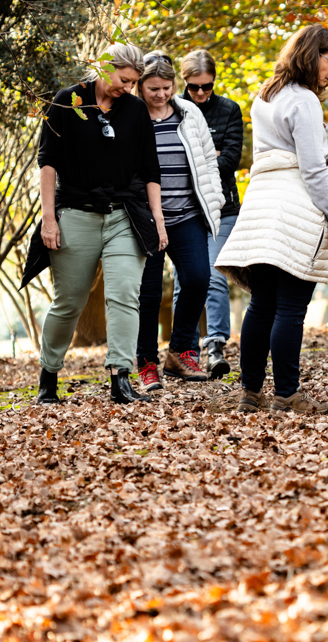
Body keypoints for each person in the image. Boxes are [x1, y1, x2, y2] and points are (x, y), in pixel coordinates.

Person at [214, 24, 328, 414]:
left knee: (262, 303)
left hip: (261, 205)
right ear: (311, 54)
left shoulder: (266, 94)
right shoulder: (305, 101)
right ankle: (288, 393)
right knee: (291, 307)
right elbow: (312, 169)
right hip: (294, 208)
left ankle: (250, 392)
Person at [33, 43, 165, 405]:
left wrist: (158, 219)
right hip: (76, 214)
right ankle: (49, 375)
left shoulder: (136, 111)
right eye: (124, 79)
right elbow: (48, 164)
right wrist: (49, 219)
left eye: (134, 82)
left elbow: (150, 169)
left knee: (125, 295)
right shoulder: (66, 102)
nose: (128, 87)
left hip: (125, 216)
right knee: (69, 302)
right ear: (104, 67)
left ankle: (120, 379)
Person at [133, 51, 225, 392]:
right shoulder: (132, 116)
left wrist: (213, 201)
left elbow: (206, 161)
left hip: (187, 214)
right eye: (153, 88)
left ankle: (181, 352)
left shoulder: (190, 113)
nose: (160, 95)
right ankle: (146, 363)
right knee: (149, 294)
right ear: (141, 87)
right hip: (145, 220)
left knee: (199, 278)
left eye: (166, 88)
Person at [176, 49, 244, 379]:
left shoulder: (229, 110)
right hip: (184, 209)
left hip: (223, 207)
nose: (201, 93)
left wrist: (194, 162)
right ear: (184, 83)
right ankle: (183, 350)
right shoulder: (172, 109)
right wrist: (207, 158)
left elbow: (230, 160)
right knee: (185, 280)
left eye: (207, 86)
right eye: (194, 87)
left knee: (215, 275)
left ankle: (214, 345)